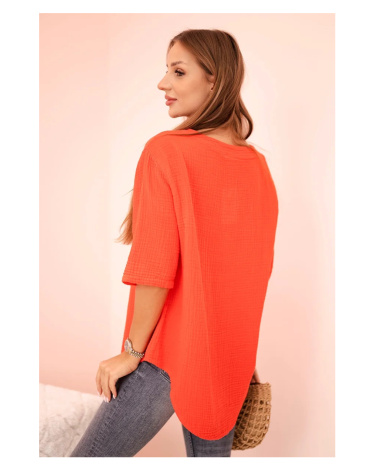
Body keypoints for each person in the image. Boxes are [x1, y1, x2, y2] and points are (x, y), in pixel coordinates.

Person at [70, 28, 278, 458]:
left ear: (215, 80)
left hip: (168, 356)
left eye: (178, 72)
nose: (163, 83)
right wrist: (239, 355)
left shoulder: (166, 152)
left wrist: (131, 353)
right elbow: (250, 274)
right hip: (226, 359)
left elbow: (154, 265)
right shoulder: (256, 165)